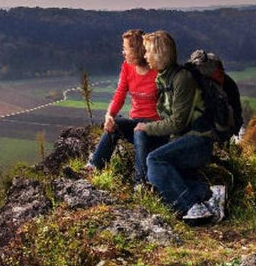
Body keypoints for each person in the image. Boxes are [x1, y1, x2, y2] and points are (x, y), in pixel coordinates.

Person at [135, 31, 226, 222]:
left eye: (148, 52)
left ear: (160, 53)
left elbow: (178, 122)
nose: (144, 56)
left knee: (155, 160)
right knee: (155, 170)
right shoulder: (165, 78)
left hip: (200, 140)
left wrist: (147, 128)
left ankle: (192, 206)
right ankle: (208, 194)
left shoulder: (181, 78)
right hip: (187, 140)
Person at [86, 29, 164, 184]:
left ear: (137, 51)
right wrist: (109, 115)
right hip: (136, 121)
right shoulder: (127, 67)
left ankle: (141, 183)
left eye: (126, 49)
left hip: (156, 128)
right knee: (117, 123)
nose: (123, 52)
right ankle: (94, 166)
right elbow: (120, 94)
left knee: (139, 132)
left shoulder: (158, 71)